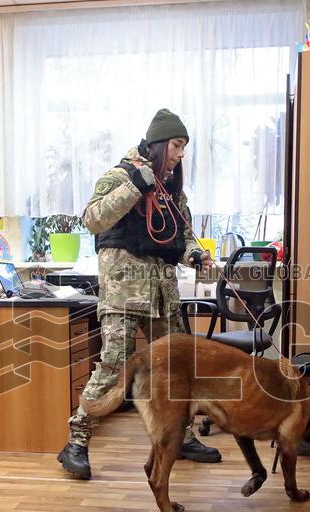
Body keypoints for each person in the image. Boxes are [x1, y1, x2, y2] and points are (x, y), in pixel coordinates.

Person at [57, 109, 222, 480]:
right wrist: (136, 185)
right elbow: (93, 218)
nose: (181, 154)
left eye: (184, 147)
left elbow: (182, 235)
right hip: (124, 292)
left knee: (178, 368)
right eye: (177, 145)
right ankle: (76, 442)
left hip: (163, 293)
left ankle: (183, 436)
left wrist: (196, 255)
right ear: (162, 143)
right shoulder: (121, 176)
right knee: (113, 367)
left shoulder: (171, 189)